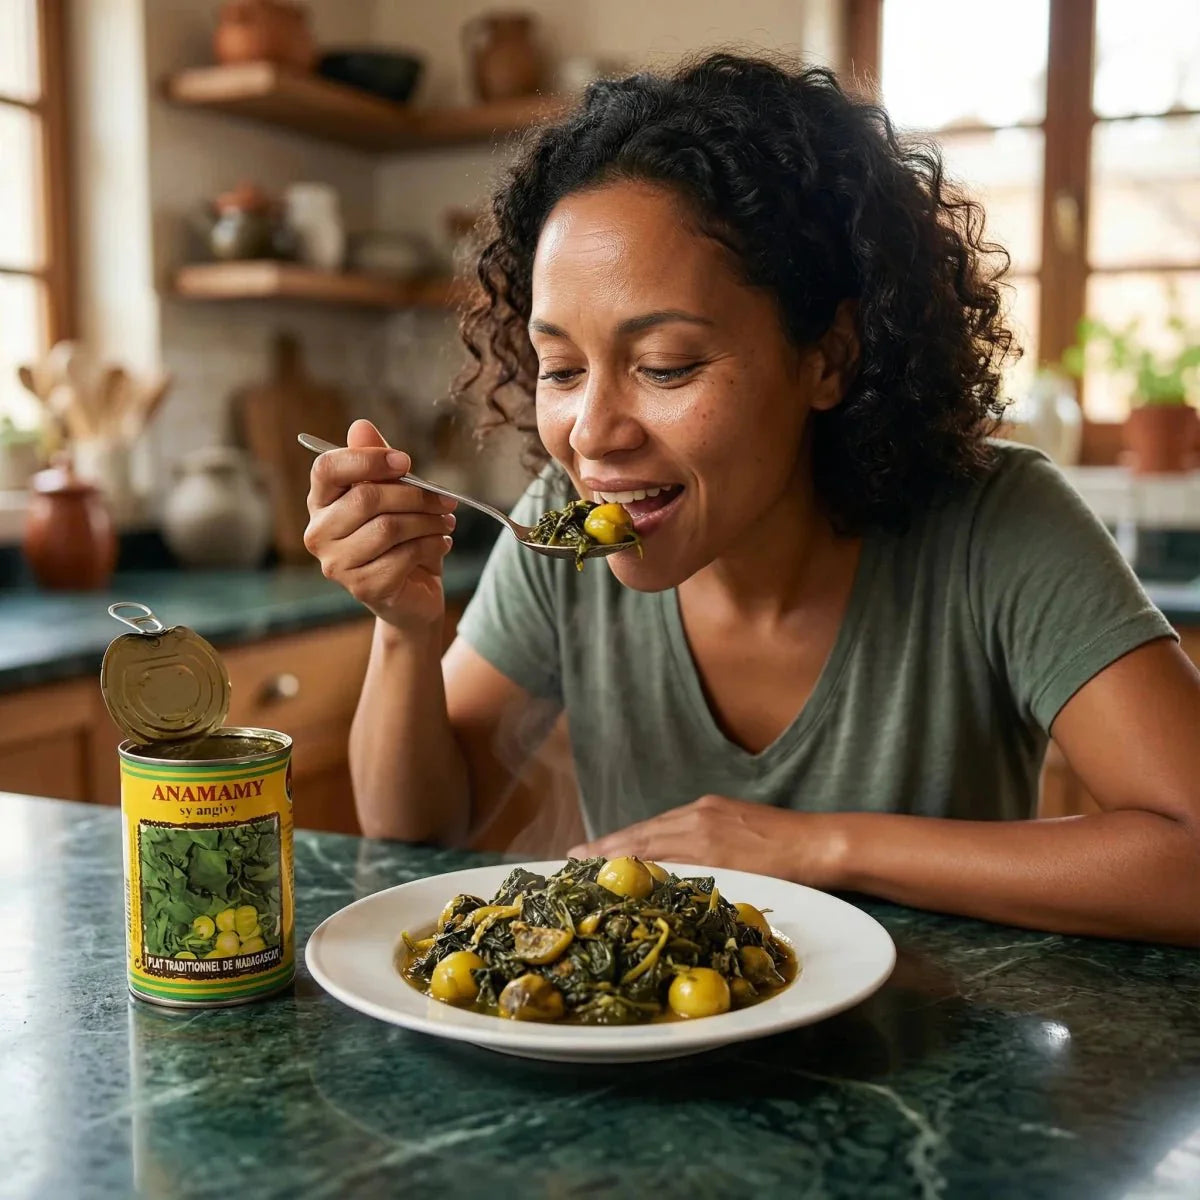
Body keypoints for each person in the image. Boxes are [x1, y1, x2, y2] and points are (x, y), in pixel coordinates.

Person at [303, 53, 1200, 945]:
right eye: (562, 370)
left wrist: (819, 847)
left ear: (828, 358)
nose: (591, 433)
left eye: (666, 367)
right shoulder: (557, 526)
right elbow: (415, 829)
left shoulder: (996, 525)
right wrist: (405, 630)